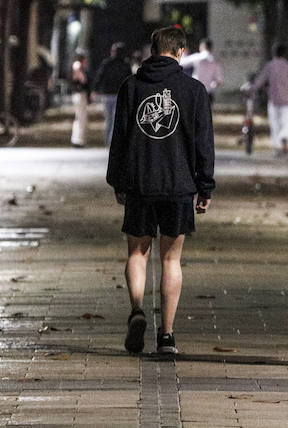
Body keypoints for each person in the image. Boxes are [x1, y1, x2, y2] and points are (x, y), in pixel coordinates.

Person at [106, 26, 215, 356]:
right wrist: (204, 185)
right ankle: (166, 335)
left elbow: (120, 137)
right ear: (180, 51)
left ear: (153, 51)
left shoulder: (131, 87)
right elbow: (203, 143)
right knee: (171, 259)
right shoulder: (194, 91)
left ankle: (137, 308)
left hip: (140, 183)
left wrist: (118, 180)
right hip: (178, 185)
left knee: (137, 253)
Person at [247, 45, 288, 155]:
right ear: (285, 54)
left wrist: (251, 89)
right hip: (287, 99)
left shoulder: (269, 66)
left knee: (275, 123)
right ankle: (284, 138)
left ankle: (277, 147)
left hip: (274, 99)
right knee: (287, 123)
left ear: (273, 53)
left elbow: (260, 82)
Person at [92, 42, 133, 145]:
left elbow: (99, 76)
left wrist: (95, 90)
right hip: (119, 95)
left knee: (109, 119)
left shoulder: (107, 63)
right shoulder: (125, 64)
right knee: (117, 119)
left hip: (107, 94)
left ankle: (109, 140)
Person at [180, 39, 225, 104]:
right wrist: (212, 85)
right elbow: (219, 80)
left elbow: (181, 63)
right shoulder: (215, 61)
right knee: (207, 113)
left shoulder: (197, 57)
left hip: (195, 90)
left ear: (202, 46)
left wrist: (183, 53)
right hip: (208, 93)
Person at [69, 49, 91, 147]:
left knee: (80, 117)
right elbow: (83, 79)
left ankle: (77, 139)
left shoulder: (77, 64)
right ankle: (78, 140)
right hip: (79, 94)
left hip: (79, 94)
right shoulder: (77, 65)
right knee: (81, 117)